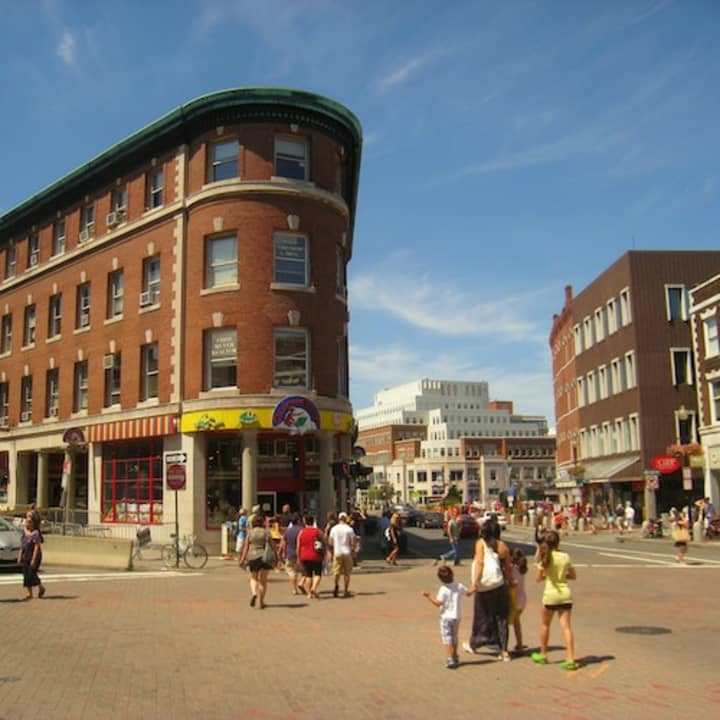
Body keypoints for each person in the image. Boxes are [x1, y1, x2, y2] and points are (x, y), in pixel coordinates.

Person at [463, 518, 512, 662]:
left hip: (484, 586)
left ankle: (474, 643)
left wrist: (475, 583)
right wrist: (509, 581)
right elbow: (508, 565)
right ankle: (504, 651)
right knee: (501, 617)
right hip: (499, 584)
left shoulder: (481, 543)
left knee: (482, 616)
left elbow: (480, 562)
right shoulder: (502, 545)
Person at [531, 530, 578, 670]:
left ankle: (543, 654)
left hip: (550, 595)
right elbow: (573, 575)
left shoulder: (545, 557)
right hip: (565, 594)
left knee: (545, 625)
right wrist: (561, 577)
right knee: (566, 627)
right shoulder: (565, 556)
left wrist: (548, 576)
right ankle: (570, 658)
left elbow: (538, 578)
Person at [422, 565, 474, 669]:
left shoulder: (443, 589)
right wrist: (474, 588)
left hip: (446, 617)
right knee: (454, 636)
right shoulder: (459, 586)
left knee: (447, 637)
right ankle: (455, 655)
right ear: (452, 574)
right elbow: (468, 593)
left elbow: (438, 603)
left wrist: (429, 596)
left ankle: (450, 658)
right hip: (456, 616)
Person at [238, 514, 275, 609]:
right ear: (262, 523)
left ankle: (254, 593)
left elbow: (246, 548)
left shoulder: (250, 533)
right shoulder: (266, 532)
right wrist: (277, 556)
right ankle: (261, 602)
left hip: (253, 557)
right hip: (265, 557)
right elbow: (272, 545)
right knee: (263, 580)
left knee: (253, 578)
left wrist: (242, 560)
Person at [328, 512, 358, 598]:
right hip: (347, 552)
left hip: (337, 552)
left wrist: (331, 552)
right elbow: (353, 541)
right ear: (346, 519)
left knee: (336, 572)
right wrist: (353, 551)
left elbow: (330, 542)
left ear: (339, 519)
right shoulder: (349, 529)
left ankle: (336, 586)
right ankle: (345, 590)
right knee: (347, 573)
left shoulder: (334, 529)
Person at [297, 514, 325, 599]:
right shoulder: (318, 531)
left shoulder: (301, 532)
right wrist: (325, 553)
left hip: (305, 556)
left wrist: (298, 557)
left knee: (308, 575)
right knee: (318, 573)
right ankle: (314, 588)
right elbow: (324, 542)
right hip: (316, 556)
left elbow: (298, 546)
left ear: (305, 522)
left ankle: (309, 593)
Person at [18, 514, 46, 600]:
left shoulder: (36, 533)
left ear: (33, 523)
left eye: (30, 522)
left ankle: (41, 587)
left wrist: (33, 559)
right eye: (27, 521)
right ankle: (30, 593)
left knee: (32, 573)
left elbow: (37, 547)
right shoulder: (25, 532)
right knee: (26, 574)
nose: (28, 523)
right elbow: (22, 545)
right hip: (26, 554)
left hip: (34, 555)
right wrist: (20, 556)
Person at [280, 513, 305, 595]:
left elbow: (284, 543)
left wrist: (282, 553)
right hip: (301, 554)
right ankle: (301, 582)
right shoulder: (302, 530)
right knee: (306, 571)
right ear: (298, 521)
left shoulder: (288, 531)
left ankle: (294, 589)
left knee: (292, 572)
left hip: (290, 553)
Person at [508, 547, 528, 653]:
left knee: (509, 622)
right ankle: (519, 644)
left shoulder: (512, 569)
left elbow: (512, 583)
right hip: (522, 598)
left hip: (514, 598)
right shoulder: (522, 569)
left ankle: (517, 645)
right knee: (516, 622)